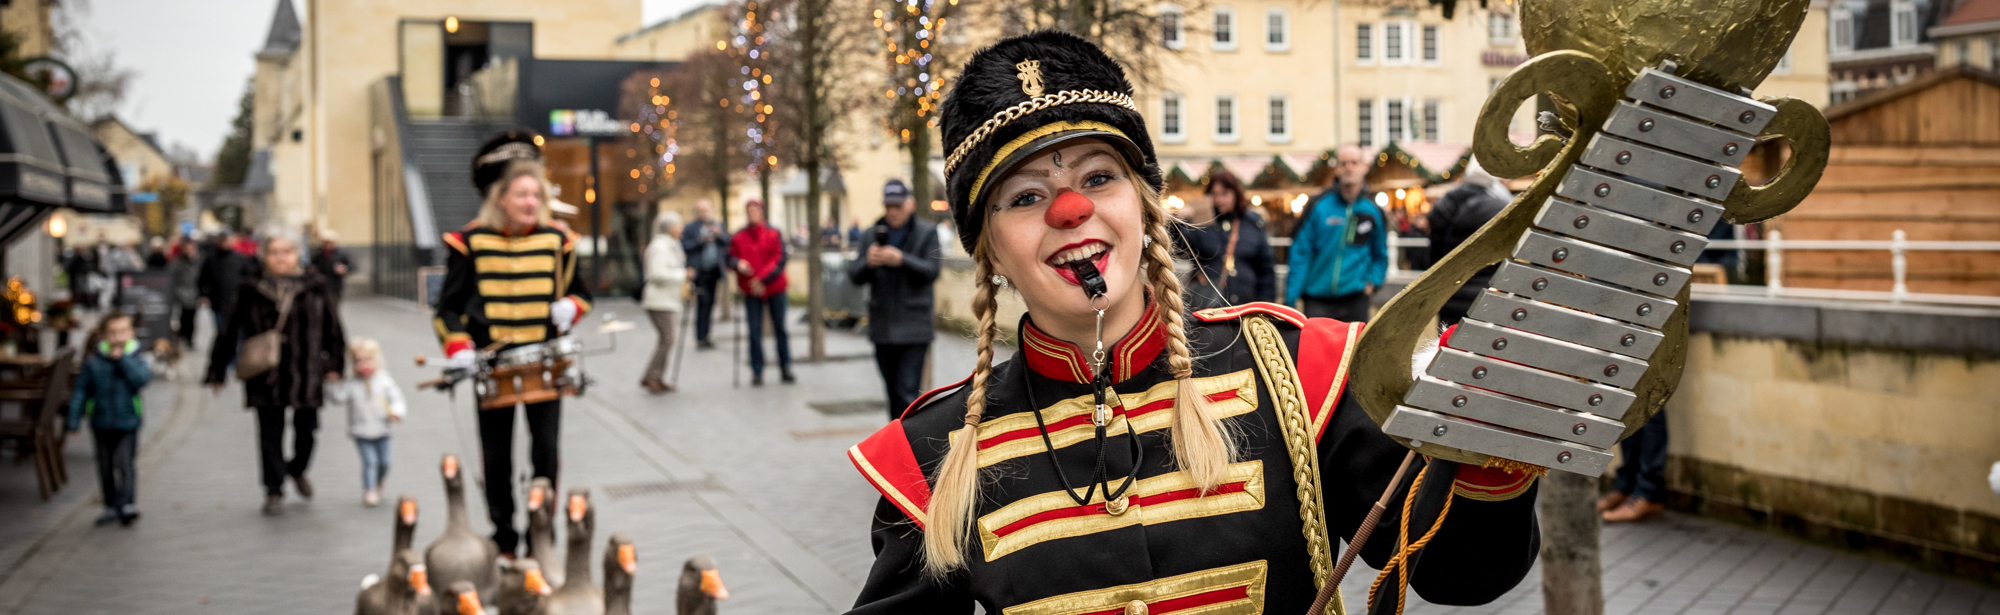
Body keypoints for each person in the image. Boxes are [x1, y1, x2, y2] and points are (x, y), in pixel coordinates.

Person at [844, 32, 1540, 615]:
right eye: (1027, 196)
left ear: (1145, 205)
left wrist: (1494, 432)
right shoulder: (929, 461)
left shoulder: (1304, 373)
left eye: (1097, 177)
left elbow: (1462, 573)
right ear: (988, 248)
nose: (1069, 212)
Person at [431, 130, 592, 555]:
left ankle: (543, 531)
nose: (530, 203)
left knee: (546, 453)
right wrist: (460, 348)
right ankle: (503, 535)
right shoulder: (468, 243)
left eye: (535, 195)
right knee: (496, 457)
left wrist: (571, 308)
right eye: (522, 195)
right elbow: (447, 310)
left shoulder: (560, 241)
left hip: (545, 364)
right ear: (500, 197)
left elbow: (582, 293)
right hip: (493, 366)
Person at [203, 233, 348, 516]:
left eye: (287, 251)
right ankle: (273, 489)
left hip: (306, 371)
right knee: (270, 433)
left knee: (307, 431)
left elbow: (334, 329)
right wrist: (217, 369)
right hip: (266, 372)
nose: (281, 257)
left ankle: (296, 468)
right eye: (274, 252)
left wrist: (335, 365)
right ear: (264, 256)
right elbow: (229, 330)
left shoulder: (316, 286)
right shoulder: (250, 287)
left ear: (297, 254)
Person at [848, 179, 942, 419]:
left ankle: (907, 446)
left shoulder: (927, 232)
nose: (892, 211)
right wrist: (868, 262)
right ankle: (896, 442)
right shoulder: (872, 233)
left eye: (897, 206)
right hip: (882, 325)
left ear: (909, 204)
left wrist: (901, 259)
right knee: (892, 391)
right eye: (889, 206)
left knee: (907, 392)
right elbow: (855, 275)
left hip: (914, 327)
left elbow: (932, 271)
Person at [1285, 144, 1388, 323]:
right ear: (1336, 169)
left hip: (1355, 298)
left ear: (1365, 167)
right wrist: (1290, 300)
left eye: (1354, 162)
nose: (1349, 168)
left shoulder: (1373, 211)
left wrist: (1372, 282)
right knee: (1315, 351)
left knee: (1354, 350)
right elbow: (1300, 253)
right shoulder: (1318, 206)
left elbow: (1381, 254)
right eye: (1344, 163)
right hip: (1317, 299)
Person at [66, 311, 150, 527]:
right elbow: (80, 391)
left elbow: (140, 380)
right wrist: (73, 421)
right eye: (113, 333)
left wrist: (122, 360)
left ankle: (128, 503)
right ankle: (110, 505)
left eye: (123, 332)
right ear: (103, 336)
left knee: (125, 463)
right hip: (101, 423)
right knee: (105, 467)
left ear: (131, 333)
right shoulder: (94, 362)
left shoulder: (136, 358)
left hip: (128, 422)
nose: (118, 337)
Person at [1426, 161, 1512, 328]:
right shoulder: (1498, 208)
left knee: (1448, 344)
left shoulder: (1446, 204)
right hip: (1485, 295)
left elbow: (1433, 253)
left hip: (1448, 293)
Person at [1174, 170, 1276, 309]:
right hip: (1208, 306)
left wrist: (1266, 306)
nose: (1219, 200)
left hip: (1246, 305)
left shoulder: (1252, 223)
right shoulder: (1201, 223)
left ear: (1236, 194)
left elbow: (1266, 270)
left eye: (1225, 194)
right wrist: (1179, 222)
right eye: (1214, 194)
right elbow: (1178, 249)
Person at [328, 338, 404, 507]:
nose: (363, 364)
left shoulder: (384, 380)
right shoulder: (351, 384)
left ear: (376, 360)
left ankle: (379, 482)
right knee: (369, 462)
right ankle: (369, 490)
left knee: (385, 463)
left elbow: (397, 399)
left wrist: (396, 412)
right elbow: (338, 398)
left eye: (368, 359)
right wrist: (332, 384)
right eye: (358, 360)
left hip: (383, 430)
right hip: (361, 432)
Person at [730, 198, 794, 386]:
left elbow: (779, 259)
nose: (753, 214)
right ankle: (757, 370)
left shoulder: (774, 233)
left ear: (762, 212)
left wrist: (762, 279)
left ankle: (785, 367)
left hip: (774, 287)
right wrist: (738, 265)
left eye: (756, 210)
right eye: (749, 211)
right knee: (754, 331)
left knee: (780, 328)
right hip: (751, 290)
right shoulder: (739, 236)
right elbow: (730, 257)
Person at [642, 211, 688, 394]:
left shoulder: (671, 245)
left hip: (667, 299)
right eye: (678, 225)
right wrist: (683, 275)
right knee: (667, 339)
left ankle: (657, 377)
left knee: (666, 339)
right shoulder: (660, 247)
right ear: (669, 228)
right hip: (659, 301)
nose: (681, 228)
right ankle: (651, 376)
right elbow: (657, 273)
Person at [681, 199, 729, 351]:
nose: (704, 213)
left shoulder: (717, 225)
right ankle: (700, 337)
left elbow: (727, 242)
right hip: (699, 271)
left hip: (714, 270)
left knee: (711, 303)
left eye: (706, 210)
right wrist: (700, 240)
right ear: (697, 212)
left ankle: (707, 336)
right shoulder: (690, 228)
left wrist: (718, 234)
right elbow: (685, 246)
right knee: (703, 302)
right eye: (701, 211)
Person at [197, 233, 247, 331]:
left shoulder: (239, 258)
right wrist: (203, 294)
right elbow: (203, 278)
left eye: (227, 240)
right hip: (217, 301)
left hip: (235, 301)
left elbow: (247, 277)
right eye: (222, 240)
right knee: (220, 329)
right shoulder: (211, 258)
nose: (225, 243)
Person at [167, 236, 202, 346]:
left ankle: (189, 338)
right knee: (182, 317)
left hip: (194, 294)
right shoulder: (177, 262)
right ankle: (182, 337)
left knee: (192, 318)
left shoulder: (199, 261)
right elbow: (171, 277)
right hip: (181, 294)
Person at [313, 230, 354, 301]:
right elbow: (312, 267)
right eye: (326, 242)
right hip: (321, 286)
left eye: (330, 242)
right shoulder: (317, 255)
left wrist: (344, 268)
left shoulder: (341, 254)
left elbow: (352, 266)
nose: (328, 245)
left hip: (335, 286)